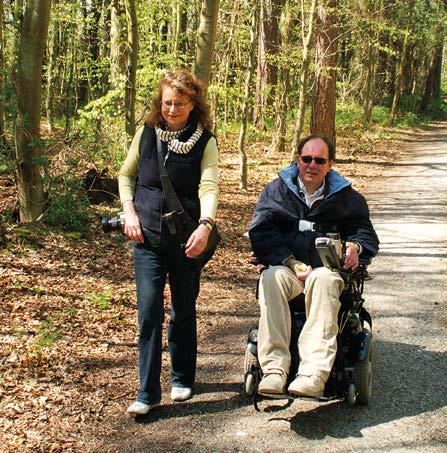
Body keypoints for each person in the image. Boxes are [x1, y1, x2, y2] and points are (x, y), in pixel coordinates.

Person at [118, 69, 219, 415]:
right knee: (148, 313)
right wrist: (129, 214)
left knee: (183, 309)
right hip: (145, 237)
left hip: (187, 240)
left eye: (179, 103)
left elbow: (208, 186)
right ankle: (146, 393)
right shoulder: (145, 134)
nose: (171, 109)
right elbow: (126, 175)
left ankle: (182, 376)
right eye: (166, 103)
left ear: (193, 105)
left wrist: (206, 225)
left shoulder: (205, 141)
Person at [248, 134, 379, 398]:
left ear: (330, 164)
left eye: (319, 160)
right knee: (271, 278)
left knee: (323, 279)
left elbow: (365, 234)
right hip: (289, 269)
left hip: (329, 273)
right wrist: (290, 261)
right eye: (306, 159)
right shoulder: (276, 191)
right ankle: (274, 370)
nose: (312, 165)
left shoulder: (348, 198)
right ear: (298, 159)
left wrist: (355, 248)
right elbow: (261, 232)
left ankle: (312, 374)